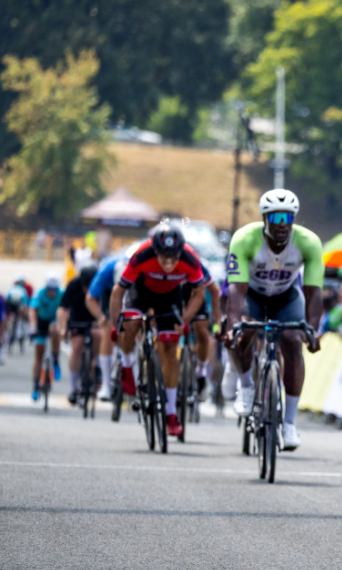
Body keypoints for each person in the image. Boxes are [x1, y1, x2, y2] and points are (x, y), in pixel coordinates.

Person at [226, 189, 324, 450]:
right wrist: (233, 324)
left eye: (288, 217)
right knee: (243, 332)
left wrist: (312, 330)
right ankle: (246, 387)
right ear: (265, 218)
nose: (282, 224)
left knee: (293, 341)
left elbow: (314, 293)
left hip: (286, 297)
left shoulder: (309, 242)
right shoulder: (245, 238)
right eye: (276, 217)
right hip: (253, 295)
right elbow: (236, 289)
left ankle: (289, 423)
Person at [110, 224, 207, 437]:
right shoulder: (141, 256)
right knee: (131, 324)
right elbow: (119, 291)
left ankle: (171, 412)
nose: (169, 263)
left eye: (174, 258)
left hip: (170, 297)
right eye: (164, 257)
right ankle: (127, 365)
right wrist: (115, 323)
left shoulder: (190, 259)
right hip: (141, 292)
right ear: (155, 251)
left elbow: (199, 293)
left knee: (170, 351)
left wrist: (185, 319)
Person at [86, 252, 129, 400]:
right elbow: (90, 299)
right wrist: (101, 317)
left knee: (134, 326)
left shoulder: (136, 269)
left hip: (131, 292)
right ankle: (105, 384)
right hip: (109, 294)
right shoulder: (105, 271)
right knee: (108, 329)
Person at [59, 263, 101, 404]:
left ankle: (98, 363)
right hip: (77, 319)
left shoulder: (101, 285)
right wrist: (63, 327)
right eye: (85, 286)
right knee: (77, 347)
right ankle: (73, 388)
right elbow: (62, 308)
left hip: (95, 318)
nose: (87, 289)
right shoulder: (73, 285)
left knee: (98, 335)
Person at [181, 261, 221, 401]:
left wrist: (217, 322)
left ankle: (201, 372)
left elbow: (214, 290)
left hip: (196, 297)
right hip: (172, 296)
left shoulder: (195, 263)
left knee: (202, 330)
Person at [29, 274, 63, 401]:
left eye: (54, 289)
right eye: (50, 289)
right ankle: (36, 385)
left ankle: (55, 360)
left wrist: (63, 327)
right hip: (41, 320)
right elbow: (33, 311)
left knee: (56, 331)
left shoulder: (62, 293)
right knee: (39, 355)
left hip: (55, 319)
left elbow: (66, 309)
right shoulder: (39, 293)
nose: (52, 292)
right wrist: (32, 327)